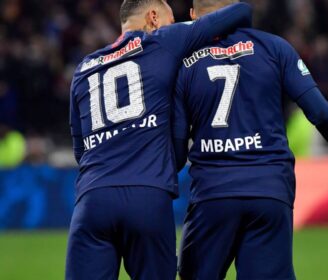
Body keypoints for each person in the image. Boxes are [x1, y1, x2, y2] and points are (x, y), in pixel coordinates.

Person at [172, 1, 328, 279]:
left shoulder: (182, 62)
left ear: (193, 15)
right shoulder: (275, 47)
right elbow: (322, 113)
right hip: (269, 189)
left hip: (212, 194)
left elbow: (177, 147)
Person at [66, 0, 252, 279]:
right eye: (169, 20)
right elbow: (241, 11)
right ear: (153, 18)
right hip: (147, 197)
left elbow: (80, 150)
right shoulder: (163, 42)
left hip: (92, 200)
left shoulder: (83, 68)